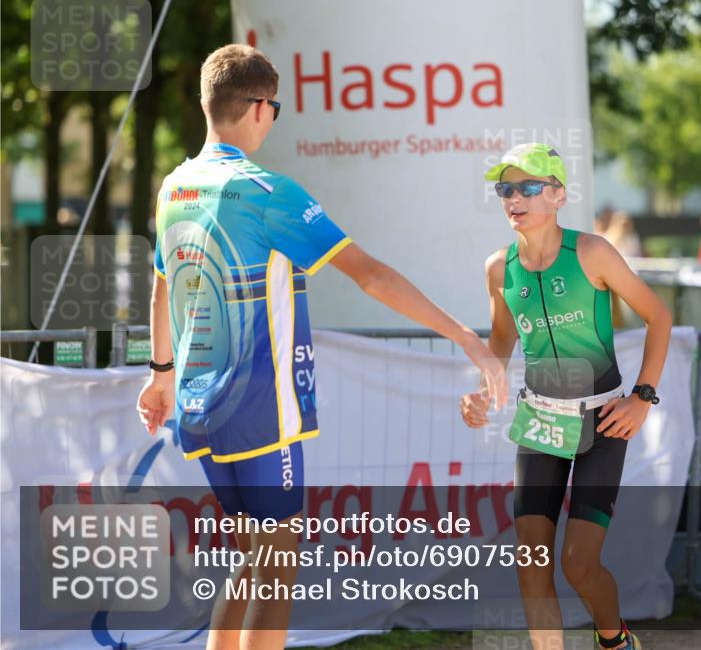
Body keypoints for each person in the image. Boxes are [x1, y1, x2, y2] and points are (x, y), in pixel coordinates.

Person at [135, 44, 506, 650]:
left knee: (250, 560)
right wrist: (465, 336)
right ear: (258, 107)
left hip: (200, 406)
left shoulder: (174, 187)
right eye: (275, 107)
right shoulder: (266, 190)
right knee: (276, 569)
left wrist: (160, 375)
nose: (273, 117)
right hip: (261, 408)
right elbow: (370, 275)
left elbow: (160, 291)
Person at [459, 143, 672, 650]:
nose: (515, 198)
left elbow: (658, 317)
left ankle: (613, 637)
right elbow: (503, 339)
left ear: (558, 195)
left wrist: (641, 397)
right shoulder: (498, 268)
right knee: (531, 564)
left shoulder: (592, 252)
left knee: (578, 564)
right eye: (506, 189)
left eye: (529, 187)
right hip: (541, 422)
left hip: (602, 423)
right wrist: (484, 390)